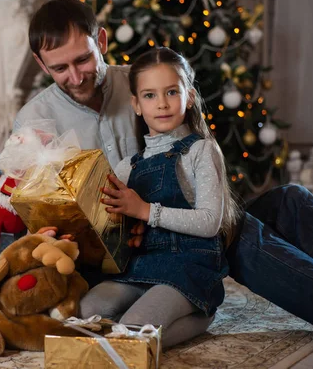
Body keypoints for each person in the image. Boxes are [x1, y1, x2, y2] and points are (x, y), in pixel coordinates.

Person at [16, 0, 313, 329]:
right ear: (41, 64)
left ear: (101, 42)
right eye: (60, 68)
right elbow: (42, 216)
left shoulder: (143, 84)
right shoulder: (35, 123)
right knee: (238, 237)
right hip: (122, 255)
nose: (75, 77)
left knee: (289, 199)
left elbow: (190, 159)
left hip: (178, 222)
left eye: (84, 59)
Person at [79, 47, 238, 348]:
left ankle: (199, 313)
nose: (162, 104)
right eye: (150, 95)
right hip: (141, 266)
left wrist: (144, 210)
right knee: (87, 312)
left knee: (132, 332)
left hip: (187, 267)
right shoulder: (128, 166)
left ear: (189, 97)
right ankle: (134, 331)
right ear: (136, 105)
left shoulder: (201, 150)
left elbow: (209, 223)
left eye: (171, 92)